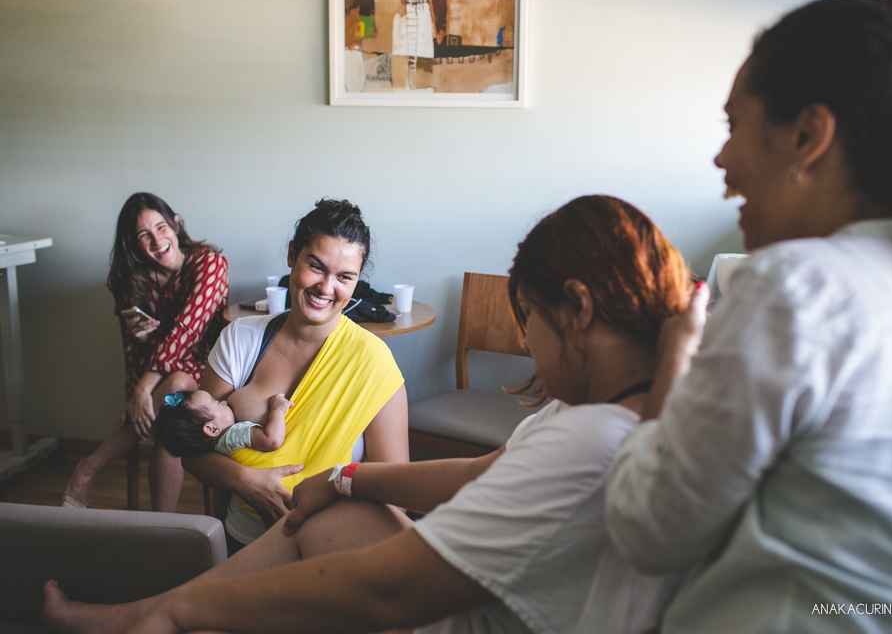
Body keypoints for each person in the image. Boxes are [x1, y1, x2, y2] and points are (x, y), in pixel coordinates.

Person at [42, 195, 698, 634]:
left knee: (313, 531)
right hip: (273, 518)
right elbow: (476, 474)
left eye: (530, 324)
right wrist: (342, 480)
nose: (527, 346)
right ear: (293, 263)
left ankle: (164, 613)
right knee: (338, 506)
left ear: (578, 311)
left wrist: (186, 608)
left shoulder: (589, 438)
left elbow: (385, 589)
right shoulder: (615, 419)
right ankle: (155, 610)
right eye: (313, 266)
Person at [605, 0, 892, 632]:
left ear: (807, 136)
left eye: (733, 125)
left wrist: (672, 365)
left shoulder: (797, 285)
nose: (721, 160)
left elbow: (648, 530)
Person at [182, 198, 409, 552]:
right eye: (316, 267)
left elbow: (394, 491)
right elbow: (192, 449)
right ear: (292, 256)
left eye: (344, 277)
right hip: (240, 539)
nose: (326, 287)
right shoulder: (242, 340)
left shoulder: (374, 363)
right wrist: (245, 480)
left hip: (327, 549)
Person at [61, 192, 229, 512]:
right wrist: (139, 352)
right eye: (143, 234)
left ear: (176, 225)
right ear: (133, 243)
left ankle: (90, 467)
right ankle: (162, 526)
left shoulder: (210, 264)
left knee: (178, 384)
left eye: (161, 227)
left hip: (204, 375)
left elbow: (187, 331)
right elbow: (131, 357)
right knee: (171, 401)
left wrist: (145, 387)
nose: (156, 240)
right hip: (155, 391)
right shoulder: (132, 279)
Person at [152, 390, 291, 458]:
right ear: (212, 429)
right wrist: (277, 409)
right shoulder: (235, 434)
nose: (224, 402)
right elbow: (272, 440)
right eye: (217, 403)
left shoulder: (218, 451)